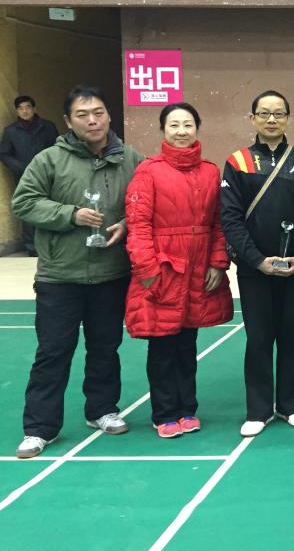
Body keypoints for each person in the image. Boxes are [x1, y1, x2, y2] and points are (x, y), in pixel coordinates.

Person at [12, 85, 143, 459]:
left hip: (110, 273)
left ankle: (102, 410)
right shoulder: (49, 160)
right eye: (83, 115)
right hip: (60, 275)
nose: (92, 121)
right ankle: (39, 428)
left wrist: (126, 225)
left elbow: (145, 204)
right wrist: (69, 215)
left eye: (98, 113)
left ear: (109, 116)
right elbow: (24, 202)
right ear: (68, 121)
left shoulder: (131, 159)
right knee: (53, 351)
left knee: (105, 348)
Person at [124, 103, 233, 439]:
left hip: (199, 270)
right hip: (163, 270)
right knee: (162, 346)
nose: (181, 131)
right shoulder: (148, 172)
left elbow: (219, 224)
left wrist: (217, 262)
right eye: (174, 125)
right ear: (163, 130)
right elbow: (138, 225)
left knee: (187, 345)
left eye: (188, 124)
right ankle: (164, 413)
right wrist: (148, 270)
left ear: (197, 128)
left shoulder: (211, 172)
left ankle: (188, 409)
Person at [221, 91, 294, 438]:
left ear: (288, 118)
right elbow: (230, 218)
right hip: (254, 270)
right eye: (264, 113)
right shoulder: (237, 162)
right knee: (259, 339)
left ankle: (291, 405)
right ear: (252, 119)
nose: (272, 119)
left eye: (278, 113)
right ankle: (258, 410)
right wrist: (257, 260)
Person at [1, 95, 59, 255]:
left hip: (48, 174)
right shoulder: (11, 131)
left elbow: (58, 149)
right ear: (16, 111)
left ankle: (51, 244)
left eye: (28, 107)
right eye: (20, 108)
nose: (24, 111)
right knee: (27, 208)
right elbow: (4, 153)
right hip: (24, 177)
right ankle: (31, 247)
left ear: (34, 109)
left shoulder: (48, 127)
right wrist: (20, 168)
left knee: (50, 207)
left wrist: (53, 168)